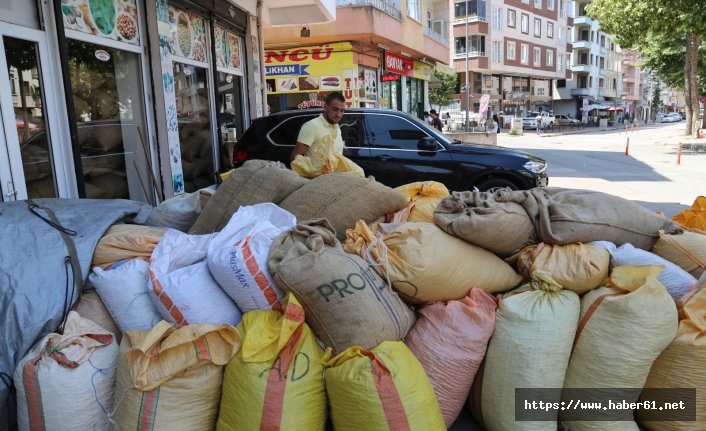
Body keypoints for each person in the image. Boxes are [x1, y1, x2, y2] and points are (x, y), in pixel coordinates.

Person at [289, 92, 364, 178]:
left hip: (334, 181)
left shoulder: (336, 128)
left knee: (359, 173)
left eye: (342, 110)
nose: (338, 114)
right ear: (325, 107)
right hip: (316, 182)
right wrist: (312, 174)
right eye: (335, 109)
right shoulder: (312, 126)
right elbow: (295, 159)